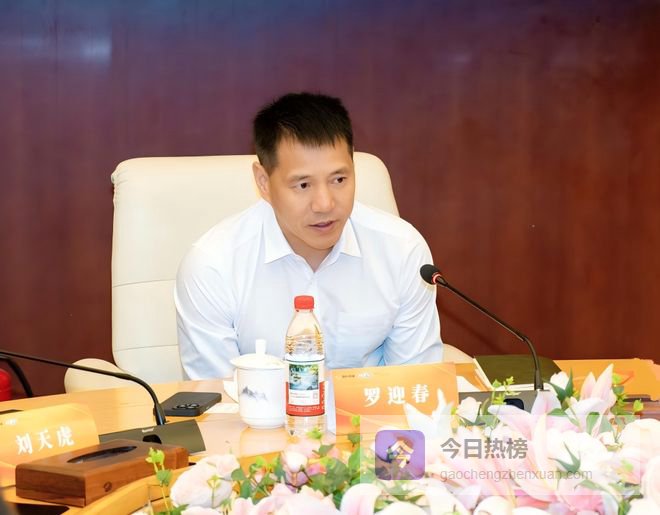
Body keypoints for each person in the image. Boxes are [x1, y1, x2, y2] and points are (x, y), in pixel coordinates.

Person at [175, 92, 442, 380]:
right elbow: (216, 396)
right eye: (303, 185)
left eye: (339, 179)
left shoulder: (402, 250)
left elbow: (417, 383)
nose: (325, 204)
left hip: (372, 409)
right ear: (263, 182)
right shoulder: (213, 265)